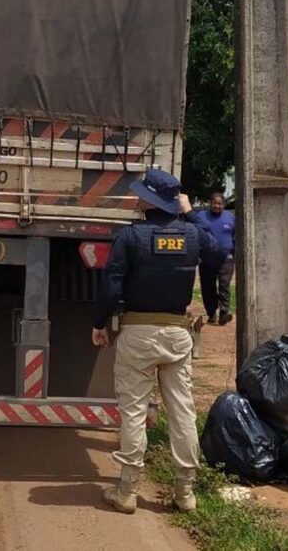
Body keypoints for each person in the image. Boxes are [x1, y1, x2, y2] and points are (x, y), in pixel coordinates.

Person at [92, 169, 223, 514]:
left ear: (148, 201)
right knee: (182, 411)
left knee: (133, 410)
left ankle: (127, 491)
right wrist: (191, 212)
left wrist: (99, 324)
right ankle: (185, 493)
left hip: (137, 334)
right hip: (178, 336)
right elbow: (219, 252)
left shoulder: (130, 238)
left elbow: (112, 287)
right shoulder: (193, 235)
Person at [197, 192, 236, 326]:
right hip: (207, 258)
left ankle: (224, 312)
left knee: (224, 284)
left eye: (219, 204)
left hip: (226, 257)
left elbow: (236, 236)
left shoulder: (231, 218)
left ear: (223, 205)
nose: (217, 206)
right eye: (215, 203)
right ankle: (212, 313)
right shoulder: (201, 216)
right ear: (210, 203)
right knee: (208, 286)